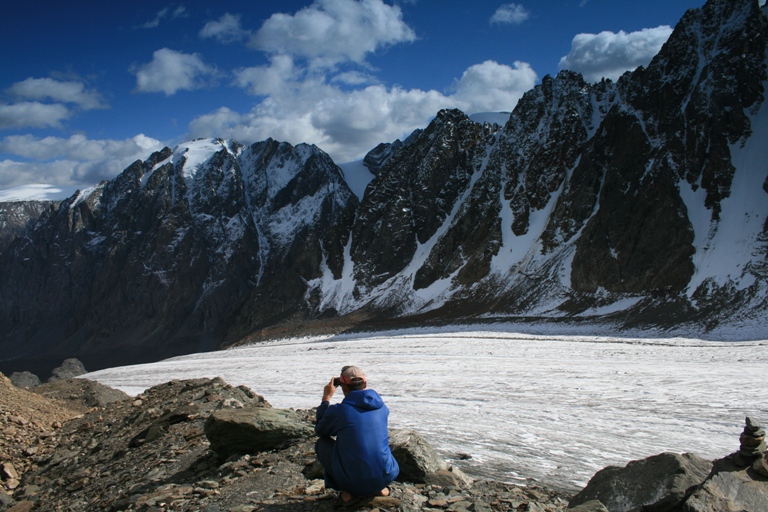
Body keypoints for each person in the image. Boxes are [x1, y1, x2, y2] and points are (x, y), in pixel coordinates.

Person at [314, 365, 399, 504]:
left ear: (343, 387)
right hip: (388, 475)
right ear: (365, 383)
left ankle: (348, 490)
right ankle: (379, 487)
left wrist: (326, 398)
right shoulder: (382, 407)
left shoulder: (340, 411)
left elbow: (320, 430)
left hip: (354, 481)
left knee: (322, 443)